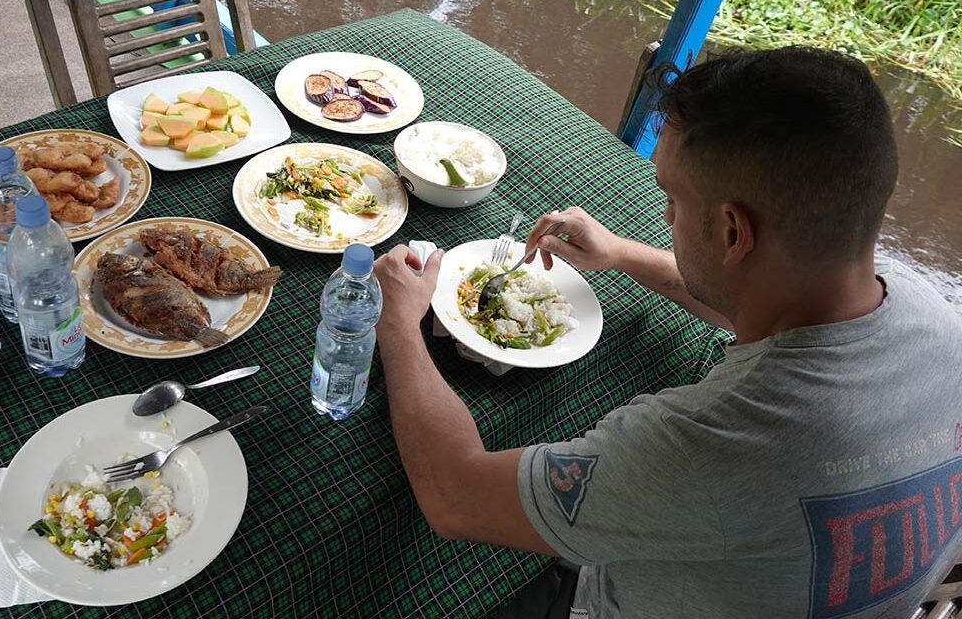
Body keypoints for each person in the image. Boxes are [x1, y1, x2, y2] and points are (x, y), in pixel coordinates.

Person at [372, 46, 962, 619]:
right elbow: (766, 296)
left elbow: (454, 495)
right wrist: (623, 254)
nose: (665, 219)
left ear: (734, 233)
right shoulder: (929, 312)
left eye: (672, 200)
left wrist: (396, 319)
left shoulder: (710, 440)